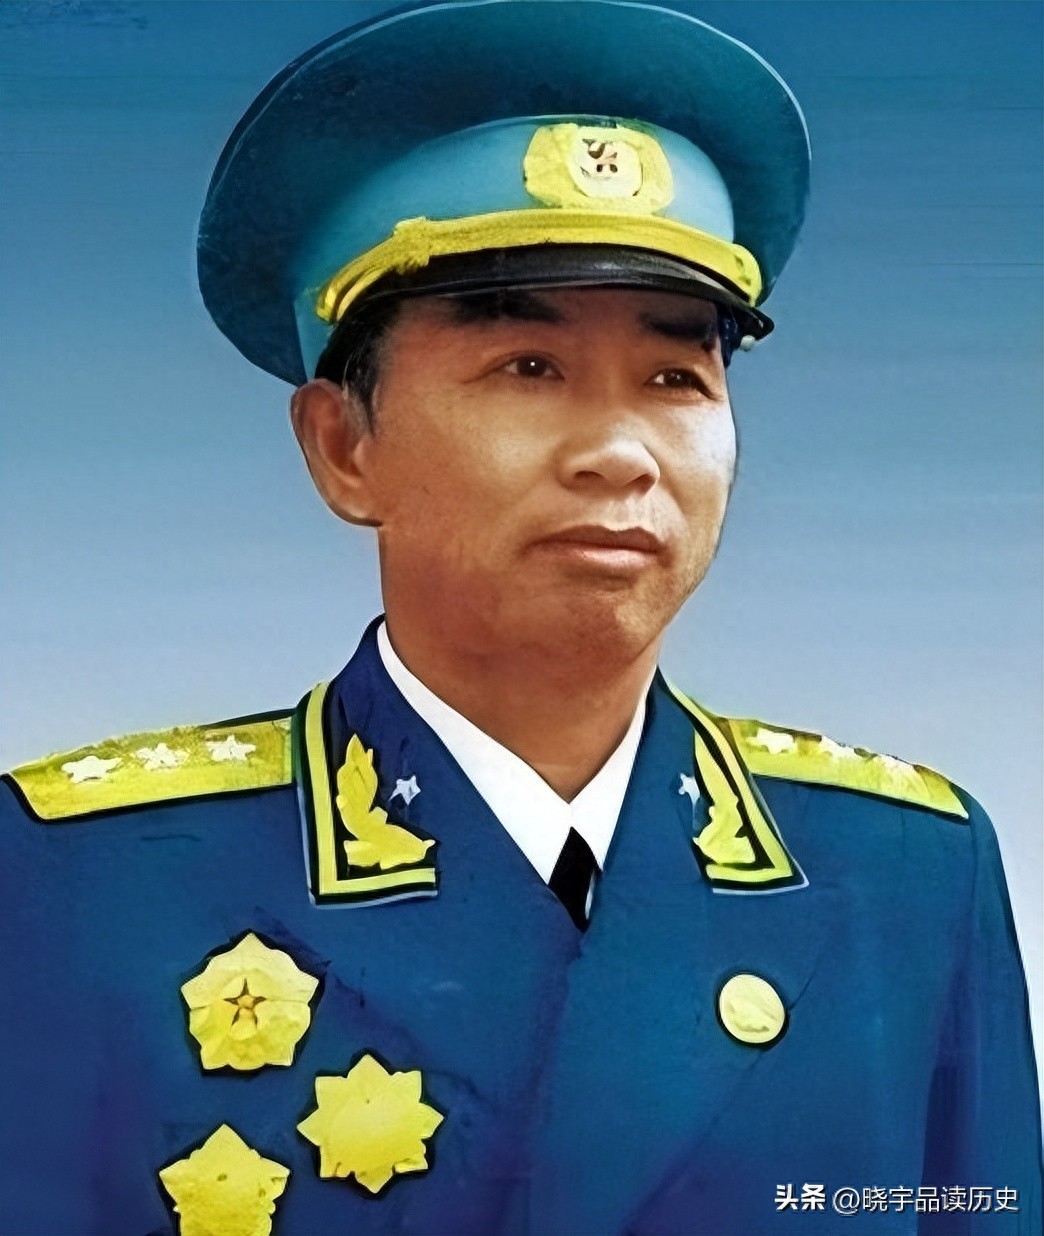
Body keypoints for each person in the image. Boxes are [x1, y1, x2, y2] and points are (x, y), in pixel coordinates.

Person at [1, 2, 1040, 1234]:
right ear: (343, 447)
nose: (621, 453)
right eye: (529, 370)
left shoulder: (904, 871)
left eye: (676, 378)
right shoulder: (80, 877)